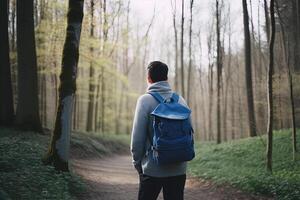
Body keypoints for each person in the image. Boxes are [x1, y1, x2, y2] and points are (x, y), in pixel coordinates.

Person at [130, 61, 191, 200]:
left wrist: (137, 163)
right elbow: (189, 132)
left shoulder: (145, 100)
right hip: (178, 168)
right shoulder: (180, 100)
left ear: (149, 78)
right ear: (166, 79)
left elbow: (137, 138)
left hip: (153, 169)